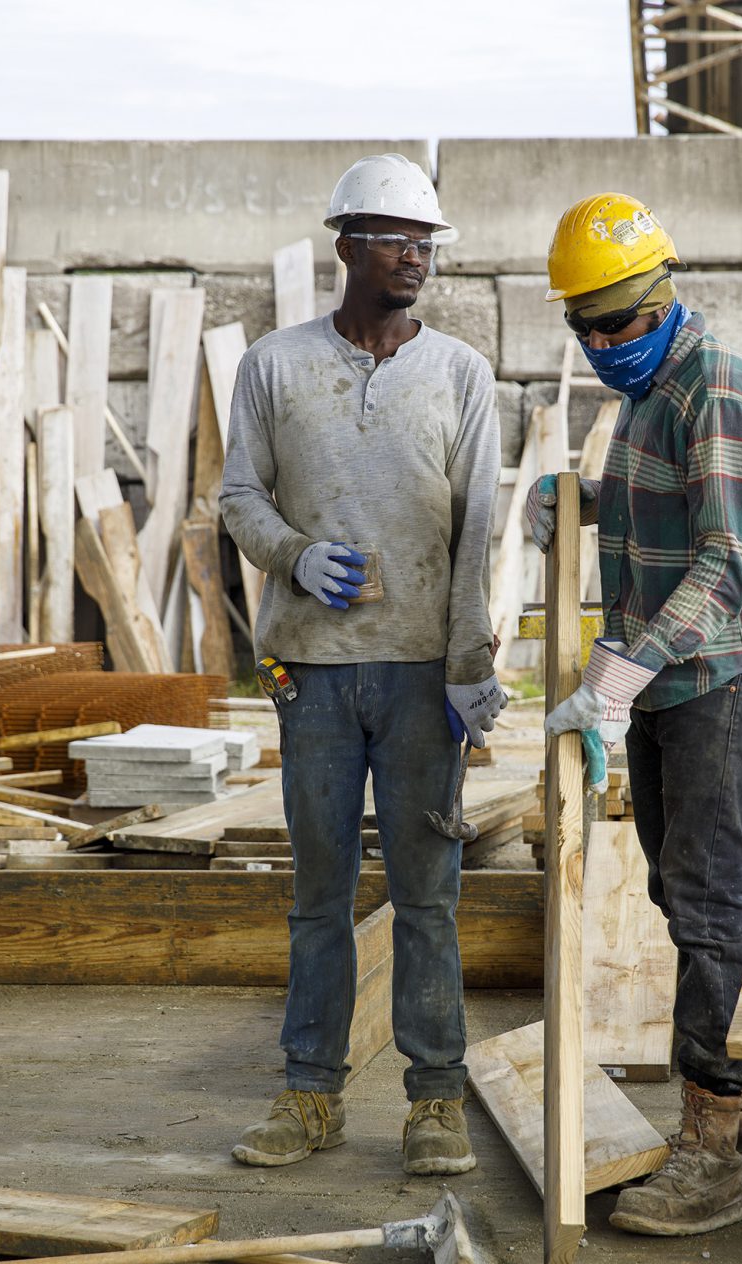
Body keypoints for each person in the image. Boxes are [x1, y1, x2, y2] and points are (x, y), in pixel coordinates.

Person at [525, 192, 742, 1236]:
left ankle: (709, 1150)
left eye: (622, 322)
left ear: (665, 297)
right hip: (668, 676)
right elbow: (675, 502)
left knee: (699, 896)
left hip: (728, 670)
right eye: (587, 327)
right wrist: (581, 503)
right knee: (684, 885)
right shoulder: (646, 400)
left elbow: (731, 557)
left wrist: (619, 672)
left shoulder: (718, 387)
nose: (606, 343)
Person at [219, 153, 506, 1177]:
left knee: (429, 892)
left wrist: (470, 663)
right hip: (316, 671)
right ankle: (309, 1095)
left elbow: (480, 527)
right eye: (393, 238)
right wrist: (296, 553)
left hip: (425, 673)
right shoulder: (274, 365)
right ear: (344, 244)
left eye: (425, 241)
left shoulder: (462, 374)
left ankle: (435, 1102)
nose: (414, 255)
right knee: (319, 891)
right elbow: (238, 498)